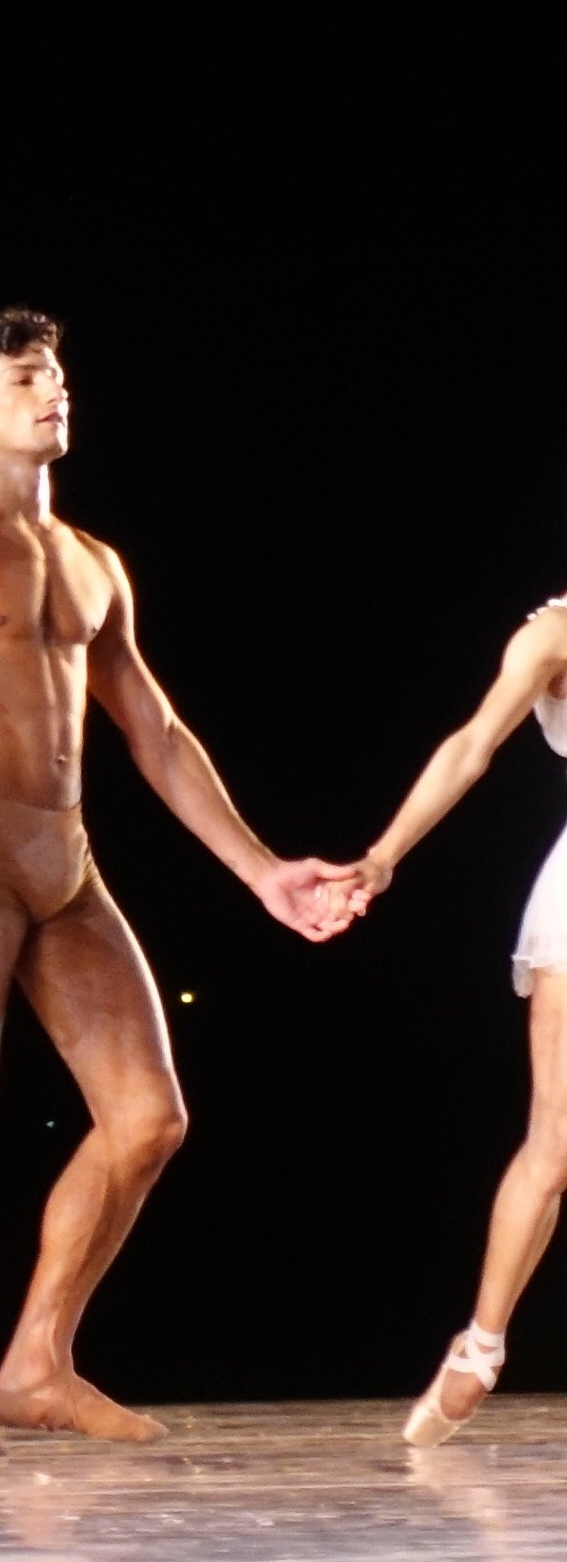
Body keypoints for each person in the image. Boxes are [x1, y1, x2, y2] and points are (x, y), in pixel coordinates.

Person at [0, 308, 355, 1458]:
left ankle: (36, 1360)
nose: (54, 392)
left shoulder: (93, 560)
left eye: (56, 375)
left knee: (148, 1118)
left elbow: (156, 730)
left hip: (65, 860)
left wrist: (261, 871)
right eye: (24, 379)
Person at [340, 600, 567, 1445]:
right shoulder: (554, 634)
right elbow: (472, 747)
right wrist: (384, 855)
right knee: (557, 1145)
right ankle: (481, 1345)